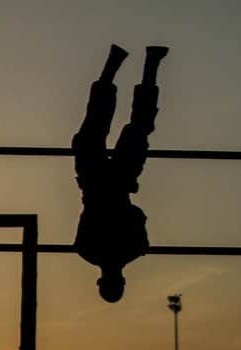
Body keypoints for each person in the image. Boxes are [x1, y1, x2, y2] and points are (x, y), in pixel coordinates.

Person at [72, 44, 168, 302]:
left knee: (124, 127)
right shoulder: (87, 250)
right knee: (102, 125)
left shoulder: (133, 249)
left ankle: (145, 66)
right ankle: (128, 65)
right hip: (99, 183)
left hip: (110, 184)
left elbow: (137, 215)